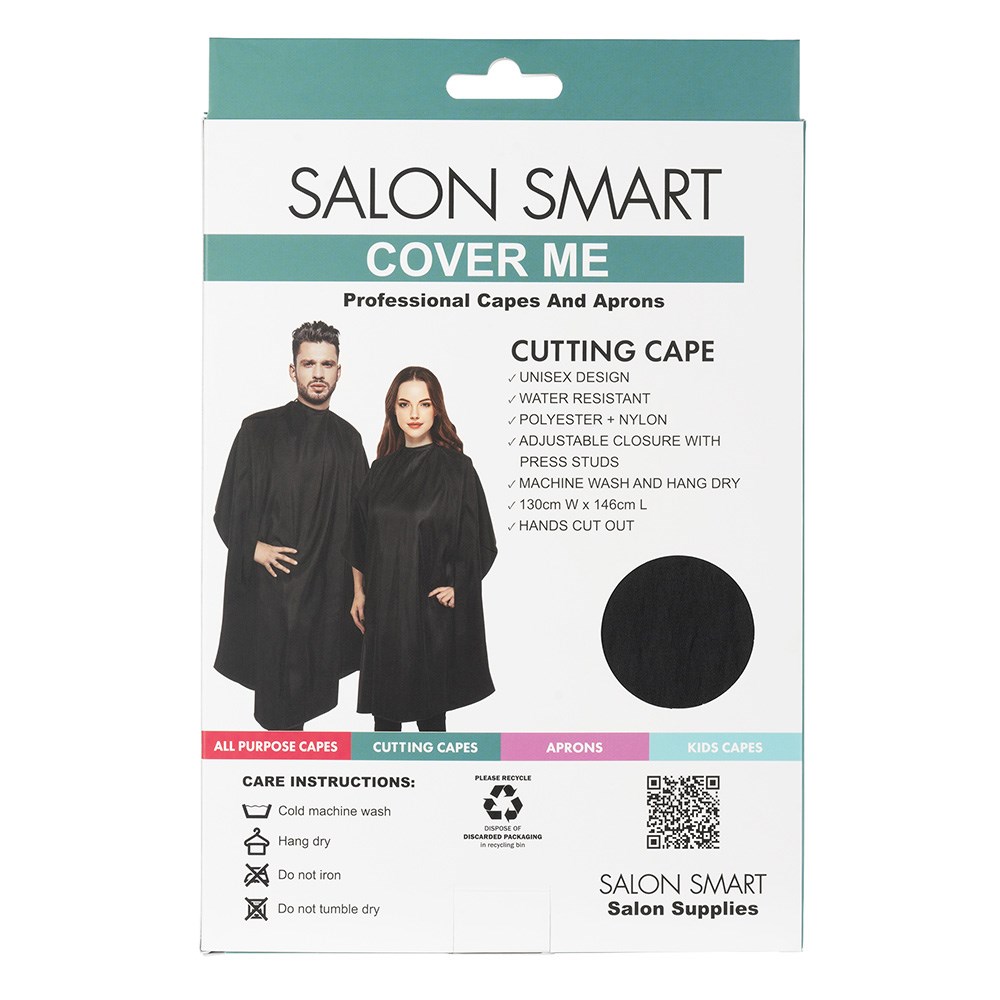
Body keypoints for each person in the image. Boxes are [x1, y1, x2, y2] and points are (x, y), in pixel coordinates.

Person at [213, 321, 368, 731]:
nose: (318, 373)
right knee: (277, 711)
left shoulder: (349, 440)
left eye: (327, 364)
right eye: (308, 363)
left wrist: (359, 590)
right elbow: (227, 508)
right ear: (292, 370)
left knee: (311, 698)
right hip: (272, 594)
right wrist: (254, 548)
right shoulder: (258, 430)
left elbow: (361, 526)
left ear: (339, 371)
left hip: (325, 592)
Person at [348, 367, 497, 732]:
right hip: (384, 613)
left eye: (424, 404)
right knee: (384, 725)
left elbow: (482, 541)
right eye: (404, 404)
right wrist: (359, 593)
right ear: (393, 410)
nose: (414, 413)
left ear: (436, 409)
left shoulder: (458, 470)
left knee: (431, 723)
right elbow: (358, 537)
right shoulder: (379, 471)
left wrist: (460, 585)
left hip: (429, 616)